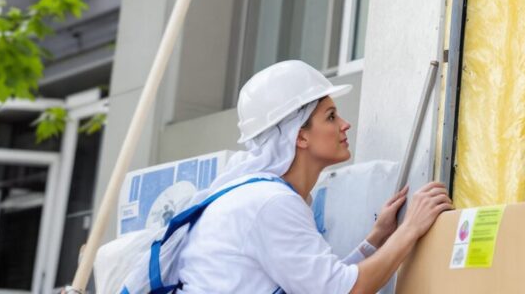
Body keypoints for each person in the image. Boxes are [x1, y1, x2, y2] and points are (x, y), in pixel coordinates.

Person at [172, 60, 453, 293]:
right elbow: (343, 292)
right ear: (300, 135)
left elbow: (322, 283)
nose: (345, 125)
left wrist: (376, 240)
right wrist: (410, 228)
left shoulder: (255, 197)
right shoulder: (271, 204)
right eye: (331, 116)